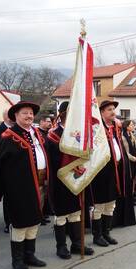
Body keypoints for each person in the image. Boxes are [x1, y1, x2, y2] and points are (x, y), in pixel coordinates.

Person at [0, 101, 47, 269]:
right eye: (25, 113)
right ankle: (17, 260)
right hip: (19, 189)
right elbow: (0, 166)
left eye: (31, 113)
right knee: (20, 224)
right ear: (15, 116)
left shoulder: (36, 134)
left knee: (34, 221)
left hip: (38, 185)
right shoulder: (8, 137)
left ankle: (29, 255)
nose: (29, 116)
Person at [46, 101, 94, 259]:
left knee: (76, 213)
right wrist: (73, 165)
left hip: (78, 178)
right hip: (61, 180)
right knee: (61, 215)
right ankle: (61, 246)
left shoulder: (79, 132)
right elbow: (53, 159)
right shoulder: (54, 134)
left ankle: (77, 244)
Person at [90, 100, 135, 246]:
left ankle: (106, 233)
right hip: (101, 171)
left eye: (113, 109)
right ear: (102, 112)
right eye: (109, 109)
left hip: (115, 170)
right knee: (99, 205)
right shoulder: (96, 128)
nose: (113, 112)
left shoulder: (115, 127)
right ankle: (97, 236)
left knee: (111, 204)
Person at [0, 108, 14, 233]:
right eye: (10, 116)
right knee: (8, 197)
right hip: (4, 167)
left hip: (17, 168)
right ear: (6, 117)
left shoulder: (17, 129)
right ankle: (8, 222)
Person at [121, 120, 136, 205]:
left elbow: (135, 147)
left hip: (135, 160)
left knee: (134, 179)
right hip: (129, 162)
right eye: (131, 125)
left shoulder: (132, 135)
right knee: (129, 179)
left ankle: (132, 196)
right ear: (127, 126)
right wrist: (135, 159)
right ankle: (129, 198)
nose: (133, 126)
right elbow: (126, 152)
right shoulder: (123, 137)